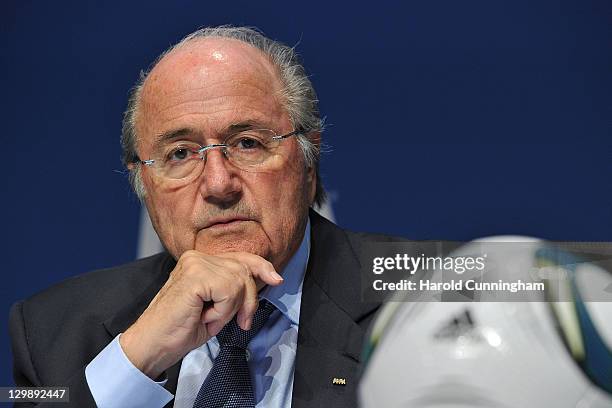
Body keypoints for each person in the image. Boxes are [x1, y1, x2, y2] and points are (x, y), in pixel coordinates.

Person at [9, 26, 384, 408]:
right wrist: (135, 361)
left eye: (247, 143)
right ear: (143, 180)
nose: (219, 184)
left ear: (308, 160)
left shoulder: (429, 291)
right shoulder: (51, 329)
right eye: (180, 154)